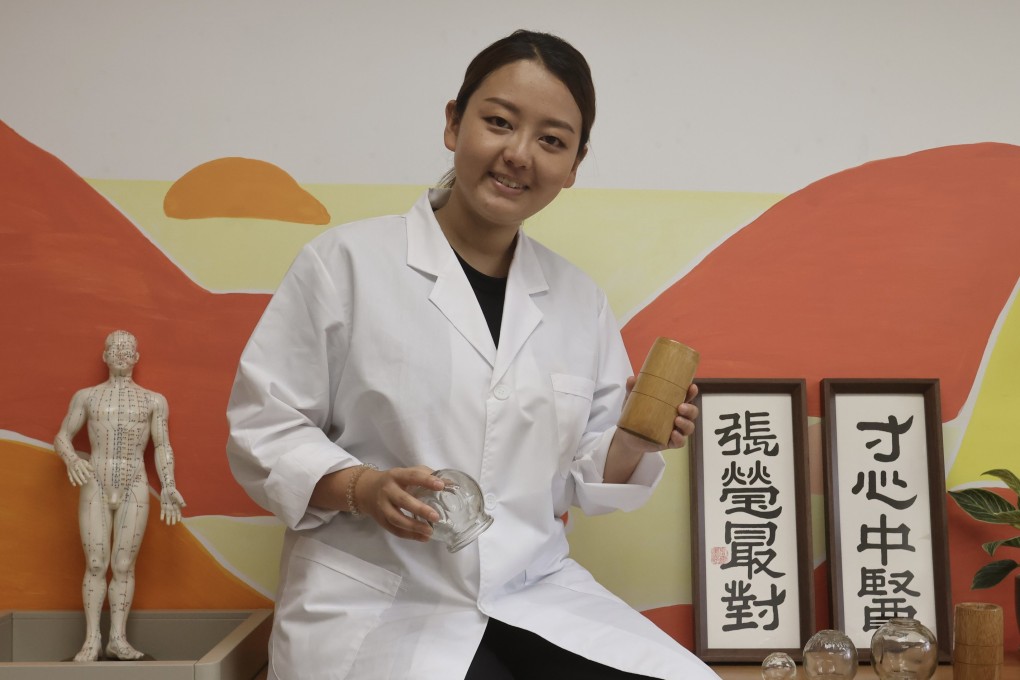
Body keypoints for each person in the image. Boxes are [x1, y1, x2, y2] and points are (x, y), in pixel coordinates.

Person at [226, 29, 719, 680]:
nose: (519, 154)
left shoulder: (578, 300)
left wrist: (633, 439)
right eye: (498, 122)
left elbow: (584, 474)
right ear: (454, 124)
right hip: (376, 603)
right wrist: (363, 488)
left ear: (573, 166)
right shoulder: (345, 264)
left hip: (531, 591)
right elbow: (264, 427)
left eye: (551, 140)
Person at [55, 330, 187, 662]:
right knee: (96, 563)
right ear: (104, 355)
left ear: (137, 358)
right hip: (95, 483)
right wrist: (72, 459)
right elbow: (62, 437)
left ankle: (117, 638)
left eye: (129, 350)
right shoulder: (86, 397)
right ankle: (91, 640)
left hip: (134, 484)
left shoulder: (154, 400)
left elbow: (162, 445)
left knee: (124, 564)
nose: (122, 354)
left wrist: (169, 484)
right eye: (116, 348)